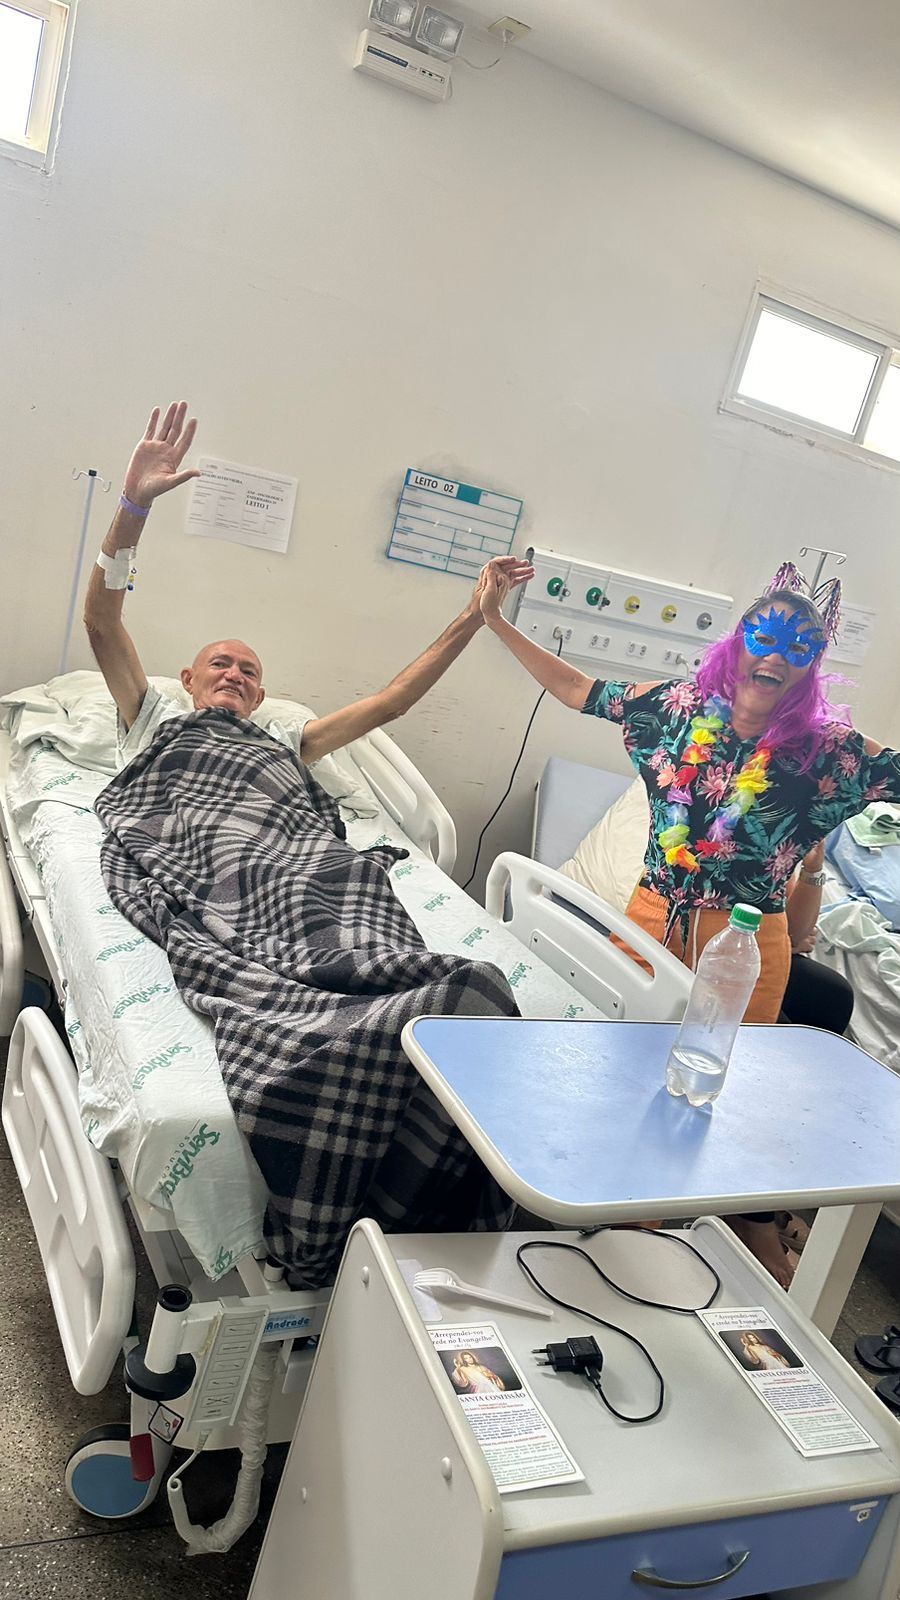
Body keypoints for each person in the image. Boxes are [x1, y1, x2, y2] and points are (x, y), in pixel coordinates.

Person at [479, 565, 900, 1284]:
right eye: (764, 636)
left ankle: (686, 1235)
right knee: (620, 1076)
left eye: (798, 645)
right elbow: (580, 689)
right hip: (651, 917)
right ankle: (608, 1217)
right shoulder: (675, 709)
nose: (776, 654)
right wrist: (495, 620)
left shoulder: (827, 751)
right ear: (738, 644)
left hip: (749, 939)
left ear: (811, 667)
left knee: (714, 1094)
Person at [84, 401, 534, 761]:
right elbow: (101, 622)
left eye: (248, 672)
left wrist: (474, 616)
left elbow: (392, 702)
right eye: (220, 664)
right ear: (187, 679)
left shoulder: (287, 742)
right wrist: (134, 504)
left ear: (259, 699)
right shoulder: (152, 714)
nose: (234, 675)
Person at [782, 840, 855, 1035]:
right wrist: (781, 941)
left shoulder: (774, 846)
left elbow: (796, 933)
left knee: (831, 995)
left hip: (765, 949)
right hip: (717, 952)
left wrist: (813, 869)